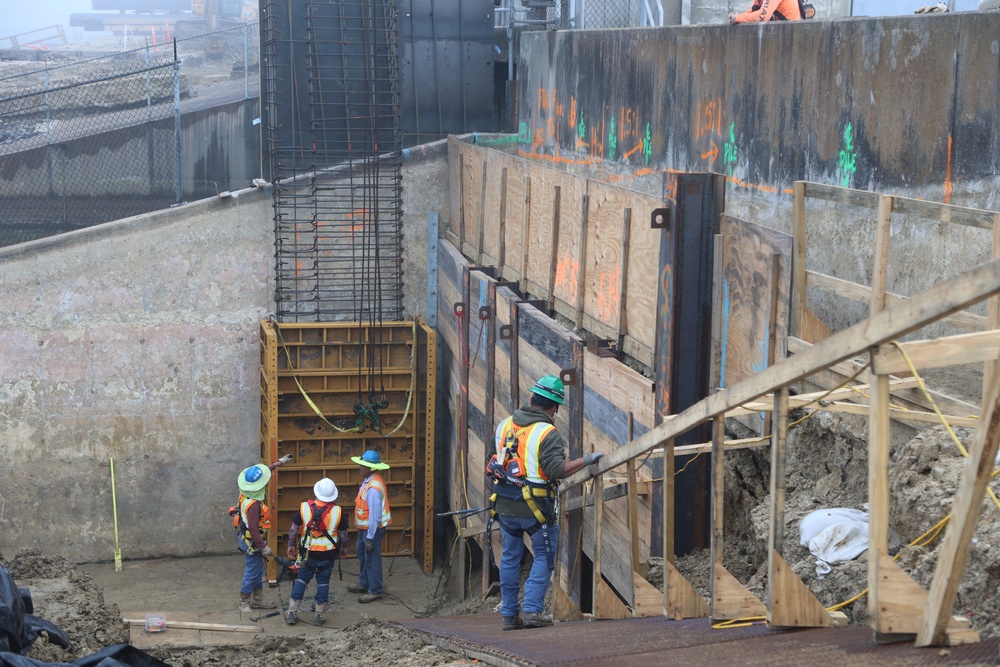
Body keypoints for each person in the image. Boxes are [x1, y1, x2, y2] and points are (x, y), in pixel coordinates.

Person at [488, 374, 604, 631]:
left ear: (531, 399)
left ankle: (509, 615)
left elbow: (493, 459)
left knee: (509, 558)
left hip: (505, 505)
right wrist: (587, 460)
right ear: (555, 408)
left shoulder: (505, 425)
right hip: (535, 509)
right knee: (543, 556)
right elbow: (556, 470)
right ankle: (532, 611)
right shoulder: (547, 432)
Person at [284, 477, 350, 625]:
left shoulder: (304, 507)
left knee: (301, 579)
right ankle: (319, 616)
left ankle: (292, 612)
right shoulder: (338, 512)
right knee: (323, 583)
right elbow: (344, 535)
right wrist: (344, 549)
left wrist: (290, 545)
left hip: (307, 552)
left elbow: (293, 530)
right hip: (328, 553)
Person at [234, 455, 292, 613]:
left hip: (248, 538)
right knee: (253, 571)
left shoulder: (245, 492)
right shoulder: (254, 506)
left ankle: (258, 600)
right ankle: (244, 602)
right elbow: (253, 528)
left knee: (258, 570)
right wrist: (263, 546)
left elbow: (265, 471)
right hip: (252, 541)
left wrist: (279, 463)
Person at [346, 450, 392, 603]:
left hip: (371, 530)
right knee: (363, 555)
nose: (359, 467)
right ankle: (365, 583)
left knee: (372, 558)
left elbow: (375, 515)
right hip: (365, 529)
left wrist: (370, 537)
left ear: (370, 468)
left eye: (363, 465)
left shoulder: (373, 488)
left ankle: (376, 590)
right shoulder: (370, 481)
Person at [729, 0, 802, 22]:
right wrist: (737, 17)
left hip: (791, 33)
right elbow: (753, 10)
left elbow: (763, 16)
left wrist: (738, 18)